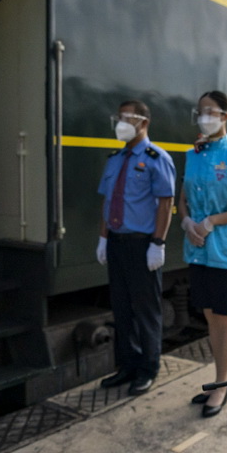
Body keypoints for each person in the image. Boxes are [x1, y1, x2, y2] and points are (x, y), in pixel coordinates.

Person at [179, 91, 227, 418]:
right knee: (211, 315)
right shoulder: (193, 154)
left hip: (226, 250)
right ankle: (219, 380)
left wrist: (212, 221)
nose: (203, 117)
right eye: (200, 111)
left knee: (225, 316)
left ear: (226, 116)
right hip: (198, 248)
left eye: (210, 111)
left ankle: (223, 384)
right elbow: (182, 196)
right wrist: (185, 220)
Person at [96, 100, 175, 396]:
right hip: (116, 242)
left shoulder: (157, 158)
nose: (121, 123)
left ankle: (148, 368)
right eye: (119, 117)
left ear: (143, 122)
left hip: (143, 245)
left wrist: (158, 243)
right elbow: (107, 202)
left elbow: (165, 203)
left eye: (127, 118)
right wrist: (103, 238)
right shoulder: (115, 159)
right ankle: (126, 366)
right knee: (121, 308)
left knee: (146, 310)